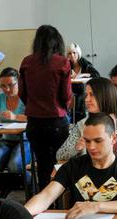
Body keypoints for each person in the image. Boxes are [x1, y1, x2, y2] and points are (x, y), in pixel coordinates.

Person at [19, 24, 72, 191]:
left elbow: (22, 93)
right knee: (60, 163)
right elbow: (66, 95)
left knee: (42, 165)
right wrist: (65, 107)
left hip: (34, 122)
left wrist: (34, 105)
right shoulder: (62, 62)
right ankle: (62, 202)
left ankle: (44, 205)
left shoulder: (27, 62)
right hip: (57, 120)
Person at [56, 78, 117, 161]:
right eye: (86, 95)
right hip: (92, 177)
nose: (86, 99)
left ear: (105, 96)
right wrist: (76, 147)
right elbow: (60, 155)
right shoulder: (83, 124)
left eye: (92, 95)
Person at [0, 67, 31, 184]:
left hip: (25, 140)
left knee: (14, 166)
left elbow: (34, 118)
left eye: (10, 85)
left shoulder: (26, 96)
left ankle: (32, 183)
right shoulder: (0, 97)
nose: (7, 89)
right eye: (3, 86)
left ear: (19, 82)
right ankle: (4, 189)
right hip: (6, 140)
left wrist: (15, 117)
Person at [68, 42, 100, 121]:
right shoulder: (67, 65)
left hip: (84, 89)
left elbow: (96, 75)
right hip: (71, 89)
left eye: (74, 53)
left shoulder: (85, 64)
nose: (72, 55)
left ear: (78, 53)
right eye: (69, 53)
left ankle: (80, 120)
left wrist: (82, 75)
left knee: (80, 98)